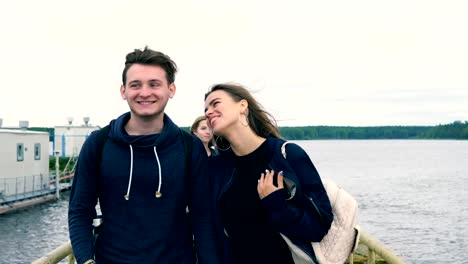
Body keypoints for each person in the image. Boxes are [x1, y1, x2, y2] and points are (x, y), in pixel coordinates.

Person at [68, 47, 217, 264]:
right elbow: (80, 211)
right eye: (135, 85)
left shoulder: (189, 148)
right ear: (123, 91)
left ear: (171, 89)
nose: (144, 93)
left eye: (154, 84)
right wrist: (85, 260)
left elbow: (203, 218)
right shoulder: (98, 144)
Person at [203, 83, 334, 264]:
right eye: (206, 109)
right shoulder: (217, 168)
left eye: (215, 104)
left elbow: (319, 227)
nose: (208, 112)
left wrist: (276, 204)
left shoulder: (287, 155)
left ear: (242, 106)